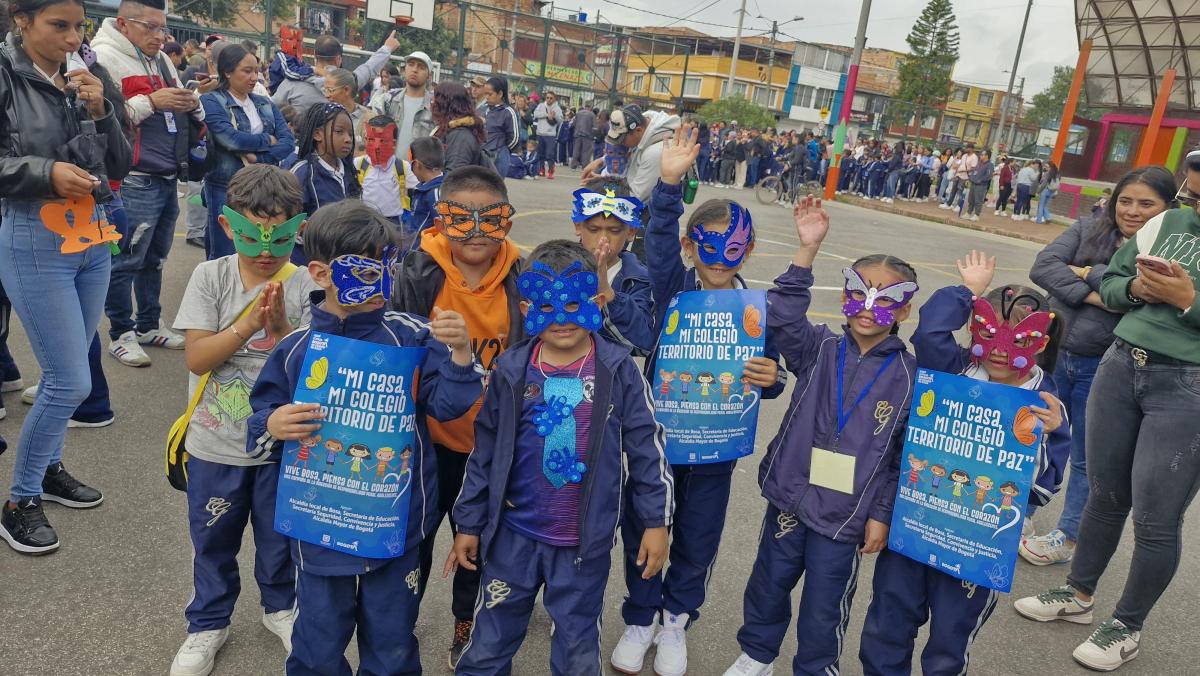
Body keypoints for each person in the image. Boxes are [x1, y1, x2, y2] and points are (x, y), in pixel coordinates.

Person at [247, 200, 482, 676]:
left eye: (386, 267)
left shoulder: (412, 337)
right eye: (364, 269)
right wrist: (271, 424)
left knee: (393, 641)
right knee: (316, 642)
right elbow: (260, 416)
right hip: (318, 529)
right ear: (321, 273)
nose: (380, 282)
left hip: (392, 527)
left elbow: (447, 405)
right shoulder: (296, 348)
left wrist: (460, 354)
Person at [447, 238, 672, 674]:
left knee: (576, 646)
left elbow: (648, 450)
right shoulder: (513, 369)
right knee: (491, 640)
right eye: (549, 305)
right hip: (514, 535)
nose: (563, 319)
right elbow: (485, 452)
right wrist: (469, 523)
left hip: (581, 544)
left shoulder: (618, 370)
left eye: (576, 303)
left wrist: (655, 522)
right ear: (528, 305)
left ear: (596, 299)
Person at [1013, 156, 1200, 672]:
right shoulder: (1169, 221)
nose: (1192, 209)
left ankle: (1128, 625)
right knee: (1105, 493)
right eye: (1191, 197)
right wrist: (1135, 289)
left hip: (1187, 383)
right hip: (1121, 362)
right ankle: (1077, 593)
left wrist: (1188, 300)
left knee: (1157, 518)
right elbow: (1114, 282)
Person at [611, 128, 785, 676]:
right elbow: (657, 239)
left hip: (716, 449)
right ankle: (640, 617)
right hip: (657, 444)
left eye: (733, 248)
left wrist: (771, 377)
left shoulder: (756, 310)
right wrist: (668, 184)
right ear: (690, 245)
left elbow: (772, 374)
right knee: (643, 526)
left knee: (699, 536)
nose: (719, 259)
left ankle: (675, 621)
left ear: (749, 249)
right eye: (707, 246)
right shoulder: (671, 288)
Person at [723, 203, 920, 676]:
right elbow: (783, 318)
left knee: (824, 604)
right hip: (792, 493)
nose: (870, 308)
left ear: (905, 310)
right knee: (769, 581)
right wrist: (806, 251)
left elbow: (900, 458)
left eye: (886, 298)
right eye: (861, 291)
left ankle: (815, 667)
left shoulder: (912, 378)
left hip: (845, 515)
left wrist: (881, 515)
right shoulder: (820, 348)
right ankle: (757, 654)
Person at [858, 251, 1069, 676]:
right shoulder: (955, 369)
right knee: (887, 624)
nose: (1001, 351)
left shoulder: (1045, 404)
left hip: (976, 546)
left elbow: (1044, 484)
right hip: (916, 528)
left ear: (1041, 343)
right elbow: (931, 329)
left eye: (1020, 341)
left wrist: (1049, 435)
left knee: (949, 643)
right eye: (990, 333)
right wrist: (968, 291)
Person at [168, 165, 317, 676]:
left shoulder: (304, 286)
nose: (266, 249)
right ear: (230, 226)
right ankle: (207, 622)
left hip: (281, 449)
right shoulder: (211, 276)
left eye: (280, 236)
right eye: (252, 235)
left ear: (299, 227)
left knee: (280, 538)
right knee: (213, 538)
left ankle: (280, 607)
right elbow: (196, 358)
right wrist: (247, 323)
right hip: (215, 444)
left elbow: (309, 374)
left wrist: (279, 328)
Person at [0, 0, 132, 555]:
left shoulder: (90, 74)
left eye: (79, 26)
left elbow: (120, 165)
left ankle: (50, 467)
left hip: (92, 237)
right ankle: (19, 501)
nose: (73, 36)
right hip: (35, 237)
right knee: (69, 381)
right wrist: (45, 172)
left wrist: (104, 110)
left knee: (73, 365)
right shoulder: (5, 77)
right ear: (21, 22)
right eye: (60, 25)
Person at [390, 165, 525, 667]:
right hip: (428, 440)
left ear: (506, 222)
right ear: (441, 219)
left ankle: (467, 619)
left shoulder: (521, 274)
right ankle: (398, 619)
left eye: (487, 219)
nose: (472, 232)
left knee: (481, 546)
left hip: (491, 446)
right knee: (416, 540)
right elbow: (396, 341)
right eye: (458, 218)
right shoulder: (418, 270)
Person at [1024, 166, 1176, 566]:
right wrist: (1100, 296)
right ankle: (1019, 514)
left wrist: (1088, 272)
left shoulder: (1174, 248)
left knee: (1088, 456)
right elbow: (1043, 267)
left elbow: (1146, 295)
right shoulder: (1089, 226)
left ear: (1168, 207)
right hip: (1054, 354)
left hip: (1106, 364)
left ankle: (1070, 535)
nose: (1133, 210)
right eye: (1125, 201)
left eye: (1147, 203)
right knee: (1032, 434)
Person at [90, 0, 203, 367]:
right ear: (123, 24)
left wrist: (189, 100)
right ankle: (120, 333)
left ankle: (148, 324)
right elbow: (106, 117)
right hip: (134, 177)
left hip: (166, 173)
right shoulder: (104, 57)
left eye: (163, 28)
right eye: (150, 27)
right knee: (125, 260)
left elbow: (168, 106)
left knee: (155, 258)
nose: (160, 36)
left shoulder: (160, 58)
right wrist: (153, 101)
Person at [200, 44, 295, 260]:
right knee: (226, 253)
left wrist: (260, 157)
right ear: (227, 71)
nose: (254, 77)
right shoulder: (212, 101)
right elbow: (230, 139)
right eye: (247, 71)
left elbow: (288, 141)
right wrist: (267, 139)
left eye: (257, 70)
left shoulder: (264, 103)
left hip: (264, 187)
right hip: (225, 187)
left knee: (259, 251)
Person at [571, 177, 656, 354]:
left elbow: (643, 345)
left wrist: (607, 293)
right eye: (594, 229)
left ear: (631, 232)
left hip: (611, 376)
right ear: (578, 227)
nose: (603, 239)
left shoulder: (639, 280)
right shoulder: (559, 268)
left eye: (614, 231)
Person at [290, 102, 359, 264]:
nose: (348, 139)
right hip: (309, 262)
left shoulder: (350, 172)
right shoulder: (303, 173)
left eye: (350, 133)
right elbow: (289, 224)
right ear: (318, 135)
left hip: (343, 260)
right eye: (339, 132)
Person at [271, 31, 400, 110]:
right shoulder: (348, 83)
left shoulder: (291, 82)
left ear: (315, 57)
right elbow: (369, 68)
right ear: (338, 59)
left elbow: (272, 109)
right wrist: (387, 48)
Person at [583, 104, 680, 203]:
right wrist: (601, 160)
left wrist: (604, 184)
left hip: (647, 211)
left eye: (622, 139)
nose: (620, 144)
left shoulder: (655, 153)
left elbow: (635, 197)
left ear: (638, 130)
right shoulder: (645, 121)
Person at [373, 51, 434, 162]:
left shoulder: (435, 106)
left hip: (418, 173)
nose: (415, 70)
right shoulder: (388, 99)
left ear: (429, 75)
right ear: (404, 69)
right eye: (411, 64)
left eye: (421, 67)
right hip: (387, 169)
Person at [352, 114, 409, 227]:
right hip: (367, 219)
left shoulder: (403, 166)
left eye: (383, 141)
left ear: (394, 143)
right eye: (372, 139)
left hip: (394, 221)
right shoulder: (358, 163)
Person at [432, 81, 484, 173]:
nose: (432, 103)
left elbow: (454, 176)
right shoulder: (448, 128)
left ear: (445, 104)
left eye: (436, 99)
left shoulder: (460, 136)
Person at [481, 76, 518, 178]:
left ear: (500, 94)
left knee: (494, 188)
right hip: (481, 155)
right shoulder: (483, 109)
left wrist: (502, 150)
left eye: (490, 94)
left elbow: (514, 138)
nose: (487, 97)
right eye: (485, 94)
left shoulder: (508, 112)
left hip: (498, 158)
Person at [321, 67, 366, 148]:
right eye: (325, 90)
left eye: (330, 90)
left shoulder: (368, 119)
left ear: (346, 90)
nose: (326, 95)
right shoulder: (321, 115)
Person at [533, 90, 561, 178]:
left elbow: (560, 120)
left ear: (554, 99)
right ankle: (541, 169)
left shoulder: (557, 108)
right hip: (540, 133)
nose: (549, 99)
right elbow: (535, 114)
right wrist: (546, 114)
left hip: (550, 135)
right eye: (547, 98)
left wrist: (554, 116)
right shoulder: (541, 105)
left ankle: (551, 171)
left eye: (551, 98)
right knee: (540, 153)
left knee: (549, 154)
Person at [964, 149, 994, 221]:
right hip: (973, 184)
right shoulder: (979, 163)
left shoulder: (990, 165)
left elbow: (989, 176)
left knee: (978, 201)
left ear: (987, 156)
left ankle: (976, 215)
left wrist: (980, 180)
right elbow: (975, 171)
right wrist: (971, 178)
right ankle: (968, 213)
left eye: (982, 154)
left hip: (981, 186)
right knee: (971, 200)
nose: (980, 156)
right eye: (981, 154)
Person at [1036, 159, 1061, 224]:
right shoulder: (1057, 174)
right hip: (1051, 192)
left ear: (1050, 167)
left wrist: (1038, 191)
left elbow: (1043, 184)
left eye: (1047, 167)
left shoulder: (1047, 173)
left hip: (1045, 190)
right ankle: (1048, 217)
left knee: (1041, 205)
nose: (1046, 168)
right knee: (1045, 206)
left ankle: (1039, 220)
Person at [571, 102, 595, 170]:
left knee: (576, 150)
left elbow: (573, 124)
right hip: (587, 135)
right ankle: (584, 166)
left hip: (577, 134)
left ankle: (574, 165)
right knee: (586, 151)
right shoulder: (592, 114)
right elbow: (594, 126)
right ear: (591, 107)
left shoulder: (578, 113)